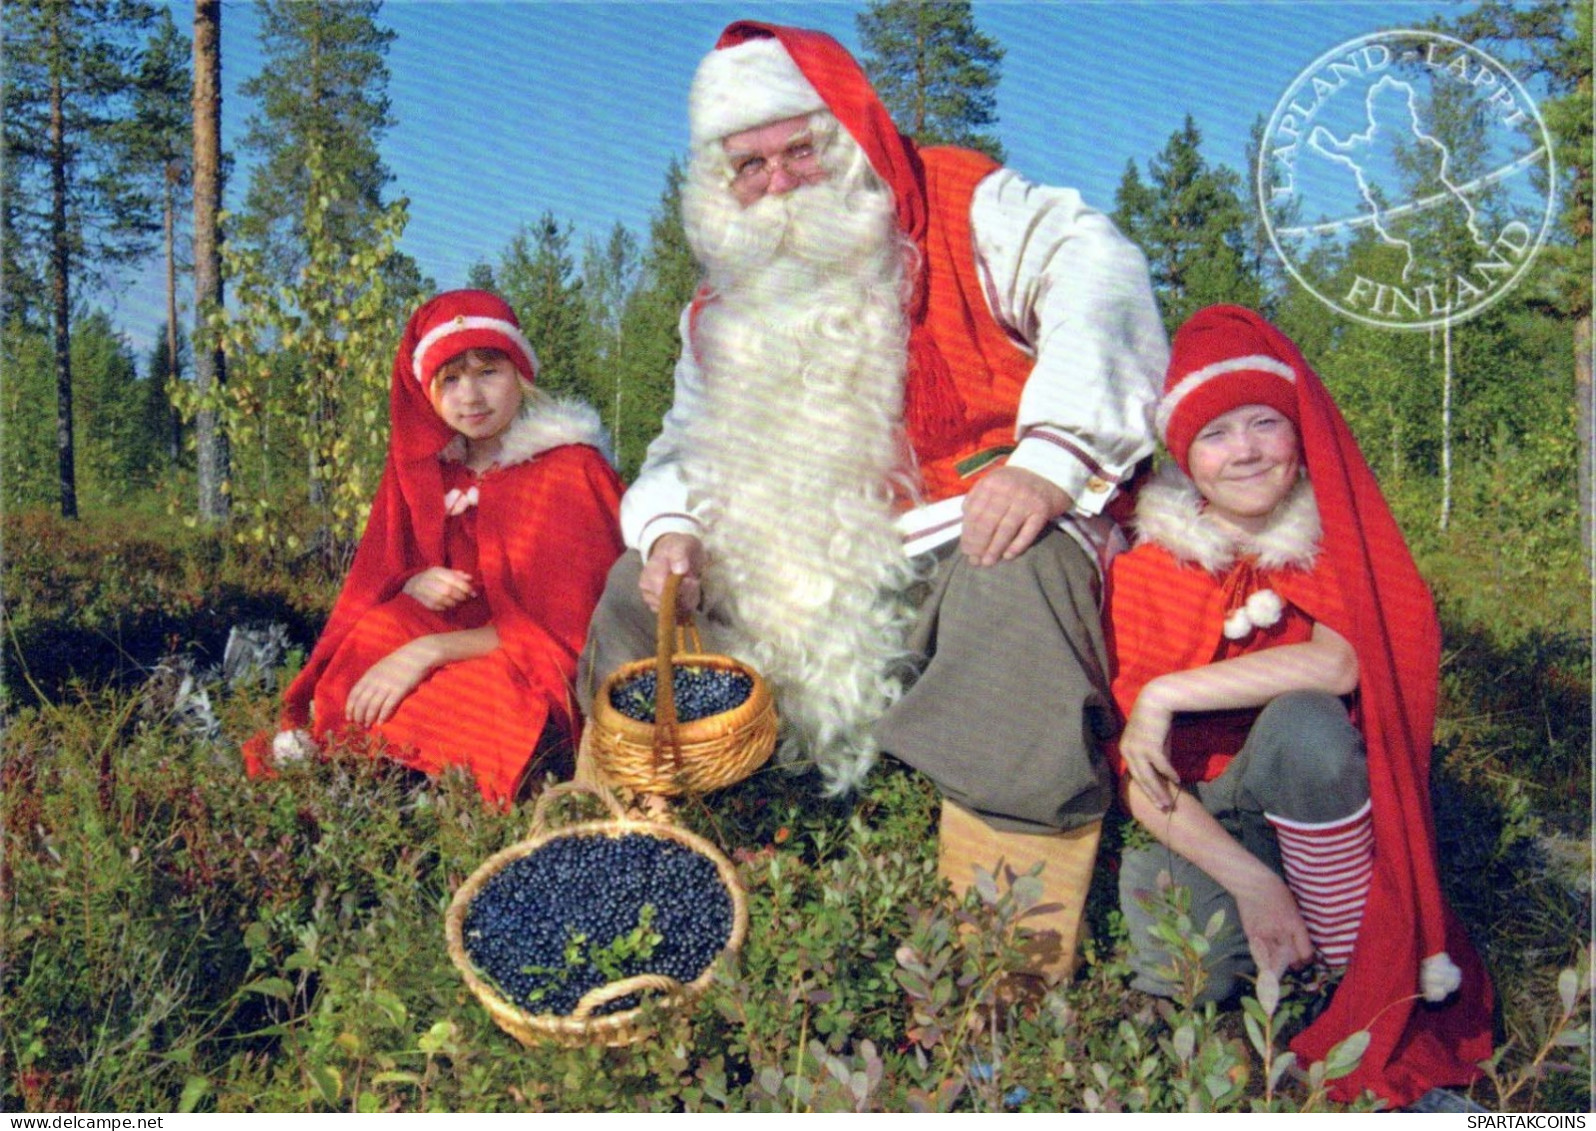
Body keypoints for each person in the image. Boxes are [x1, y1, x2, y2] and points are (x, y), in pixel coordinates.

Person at [578, 21, 1166, 978]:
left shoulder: (965, 203)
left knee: (1021, 576)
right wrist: (673, 527)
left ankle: (999, 956)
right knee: (635, 596)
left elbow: (1099, 273)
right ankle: (630, 876)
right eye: (751, 166)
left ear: (845, 138)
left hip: (964, 539)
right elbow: (683, 444)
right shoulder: (718, 308)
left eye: (799, 151)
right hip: (800, 572)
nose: (778, 185)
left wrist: (1051, 455)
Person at [1106, 305, 1492, 1106]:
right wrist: (1252, 883)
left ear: (1298, 435)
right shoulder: (1149, 568)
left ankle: (1363, 994)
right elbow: (1143, 783)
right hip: (1199, 818)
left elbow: (1342, 659)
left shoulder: (1327, 541)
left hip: (1318, 810)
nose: (1243, 450)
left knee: (1308, 724)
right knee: (1193, 978)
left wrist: (1168, 692)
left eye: (1264, 423)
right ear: (1185, 454)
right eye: (1215, 433)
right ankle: (1262, 984)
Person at [246, 289, 625, 804]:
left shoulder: (566, 470)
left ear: (521, 373)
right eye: (450, 379)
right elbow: (382, 569)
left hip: (534, 659)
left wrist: (427, 651)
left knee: (478, 699)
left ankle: (455, 773)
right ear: (428, 392)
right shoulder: (433, 471)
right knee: (374, 634)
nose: (469, 396)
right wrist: (414, 579)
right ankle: (391, 764)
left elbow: (569, 629)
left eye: (488, 371)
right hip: (468, 632)